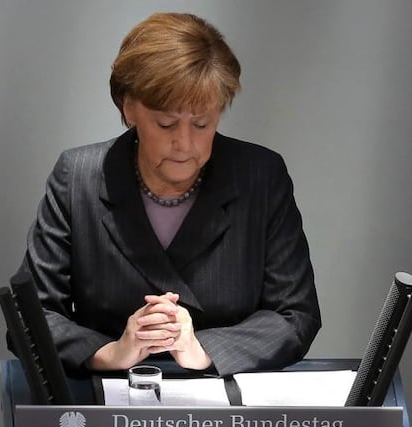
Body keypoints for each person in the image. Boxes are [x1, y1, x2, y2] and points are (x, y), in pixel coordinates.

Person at [17, 12, 321, 377]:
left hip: (222, 401)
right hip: (109, 397)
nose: (184, 143)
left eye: (202, 123)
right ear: (129, 107)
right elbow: (31, 316)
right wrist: (110, 352)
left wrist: (203, 349)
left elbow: (295, 314)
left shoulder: (260, 176)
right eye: (165, 123)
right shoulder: (78, 177)